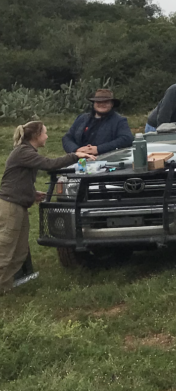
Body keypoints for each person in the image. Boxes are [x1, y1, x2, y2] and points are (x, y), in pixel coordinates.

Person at [1, 122, 91, 292]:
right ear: (36, 136)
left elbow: (17, 179)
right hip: (10, 206)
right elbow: (50, 164)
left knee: (19, 250)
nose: (47, 136)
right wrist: (76, 156)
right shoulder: (23, 152)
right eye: (45, 133)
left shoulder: (26, 152)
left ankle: (5, 287)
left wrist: (32, 193)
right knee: (6, 248)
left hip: (18, 204)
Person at [61, 88, 133, 156]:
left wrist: (98, 149)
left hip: (106, 162)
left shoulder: (119, 120)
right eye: (98, 101)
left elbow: (127, 139)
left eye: (106, 102)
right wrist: (76, 150)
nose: (102, 104)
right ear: (94, 103)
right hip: (78, 161)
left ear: (112, 104)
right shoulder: (82, 118)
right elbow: (67, 138)